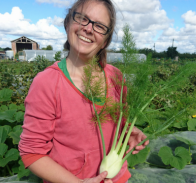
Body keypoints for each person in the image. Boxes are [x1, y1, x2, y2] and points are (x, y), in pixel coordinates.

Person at [18, 0, 149, 183]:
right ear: (68, 23)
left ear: (105, 41)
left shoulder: (116, 77)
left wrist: (127, 131)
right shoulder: (47, 82)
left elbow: (114, 122)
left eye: (100, 26)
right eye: (82, 18)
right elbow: (31, 153)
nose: (88, 28)